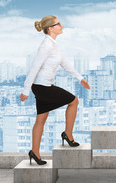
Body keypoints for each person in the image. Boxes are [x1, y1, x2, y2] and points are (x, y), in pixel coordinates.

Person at [19, 15, 90, 165]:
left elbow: (65, 64)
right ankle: (68, 135)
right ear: (50, 28)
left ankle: (35, 153)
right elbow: (34, 67)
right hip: (42, 87)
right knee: (74, 101)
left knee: (41, 120)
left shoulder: (53, 45)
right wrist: (25, 91)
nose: (62, 26)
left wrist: (80, 79)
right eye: (58, 24)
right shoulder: (46, 46)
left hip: (43, 86)